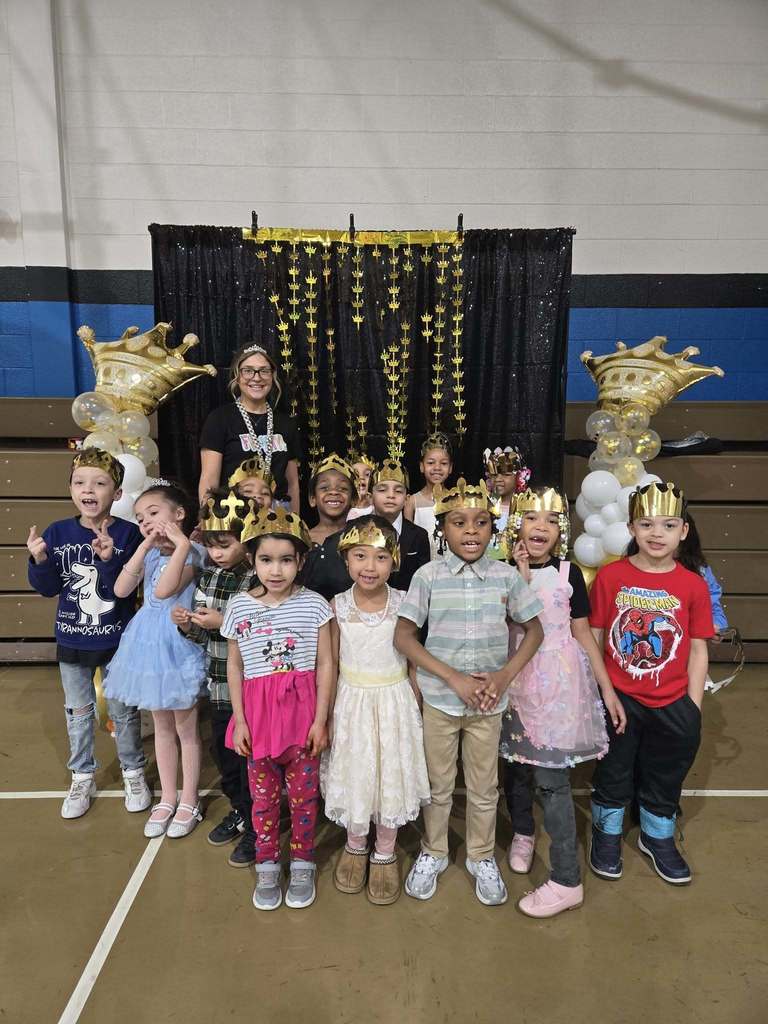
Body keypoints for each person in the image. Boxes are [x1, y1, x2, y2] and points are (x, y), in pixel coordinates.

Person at [395, 479, 544, 907]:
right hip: (441, 701)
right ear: (443, 529)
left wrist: (503, 677)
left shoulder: (504, 577)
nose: (472, 531)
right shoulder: (427, 576)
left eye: (481, 523)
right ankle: (435, 850)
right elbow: (405, 637)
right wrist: (453, 679)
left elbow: (534, 630)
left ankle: (480, 855)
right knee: (438, 785)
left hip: (488, 703)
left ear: (493, 530)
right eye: (459, 523)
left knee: (484, 787)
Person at [499, 486, 626, 918]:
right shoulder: (502, 570)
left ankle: (566, 878)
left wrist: (606, 689)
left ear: (561, 531)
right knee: (515, 767)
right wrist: (517, 572)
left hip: (556, 686)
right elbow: (510, 620)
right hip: (515, 680)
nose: (541, 527)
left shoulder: (570, 573)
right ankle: (522, 831)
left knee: (551, 782)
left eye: (551, 521)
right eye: (532, 518)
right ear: (517, 524)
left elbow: (583, 633)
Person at [589, 481, 713, 886]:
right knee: (614, 768)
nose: (657, 533)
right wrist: (606, 692)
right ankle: (606, 833)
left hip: (674, 699)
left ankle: (656, 835)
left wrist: (692, 706)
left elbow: (697, 649)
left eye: (668, 524)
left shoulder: (693, 585)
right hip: (621, 698)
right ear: (631, 529)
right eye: (646, 524)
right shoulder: (611, 577)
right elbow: (595, 635)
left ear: (684, 531)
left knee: (666, 770)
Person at [26, 447, 150, 820]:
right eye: (80, 482)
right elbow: (49, 588)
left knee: (124, 712)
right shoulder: (57, 532)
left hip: (117, 641)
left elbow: (122, 591)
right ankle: (82, 774)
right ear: (70, 489)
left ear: (117, 494)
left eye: (100, 483)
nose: (89, 489)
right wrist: (41, 559)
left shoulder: (129, 533)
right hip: (72, 640)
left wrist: (111, 560)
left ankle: (133, 771)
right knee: (78, 712)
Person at [222, 507, 333, 911]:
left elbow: (325, 664)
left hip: (302, 715)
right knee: (263, 797)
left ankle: (302, 860)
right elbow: (234, 666)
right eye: (266, 559)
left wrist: (321, 720)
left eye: (286, 560)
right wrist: (240, 720)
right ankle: (268, 861)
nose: (276, 570)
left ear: (300, 562)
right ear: (252, 559)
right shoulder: (238, 606)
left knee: (303, 797)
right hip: (258, 716)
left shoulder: (316, 605)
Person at [323, 516, 430, 905]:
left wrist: (418, 705)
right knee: (356, 771)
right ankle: (355, 845)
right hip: (352, 702)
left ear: (395, 561)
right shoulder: (337, 606)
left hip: (394, 700)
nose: (370, 566)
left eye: (381, 557)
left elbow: (414, 659)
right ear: (346, 560)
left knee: (390, 772)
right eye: (360, 556)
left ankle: (385, 849)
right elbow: (330, 663)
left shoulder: (404, 603)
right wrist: (328, 714)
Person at [106, 482, 207, 839]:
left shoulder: (194, 551)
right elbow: (121, 589)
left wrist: (180, 543)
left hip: (177, 642)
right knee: (162, 727)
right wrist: (145, 545)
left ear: (178, 514)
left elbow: (165, 590)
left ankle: (189, 799)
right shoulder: (147, 552)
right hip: (145, 644)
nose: (146, 522)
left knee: (186, 728)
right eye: (140, 519)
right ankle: (167, 796)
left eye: (153, 513)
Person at [171, 491, 256, 866]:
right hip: (218, 686)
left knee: (249, 760)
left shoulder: (256, 579)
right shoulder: (208, 577)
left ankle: (258, 824)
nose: (218, 553)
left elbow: (263, 630)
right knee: (223, 757)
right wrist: (188, 625)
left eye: (226, 544)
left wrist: (223, 623)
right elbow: (204, 633)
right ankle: (240, 809)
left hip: (250, 690)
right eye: (212, 545)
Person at [198, 344, 301, 511]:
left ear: (272, 376)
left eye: (264, 370)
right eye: (248, 370)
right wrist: (207, 518)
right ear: (237, 376)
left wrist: (296, 522)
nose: (256, 377)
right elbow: (209, 479)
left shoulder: (286, 423)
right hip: (234, 511)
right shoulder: (219, 419)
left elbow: (292, 483)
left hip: (278, 513)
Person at [299, 454, 357, 598]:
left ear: (354, 499)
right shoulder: (301, 539)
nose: (334, 492)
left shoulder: (360, 538)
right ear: (312, 499)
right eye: (324, 488)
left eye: (343, 488)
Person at [404, 432, 453, 558]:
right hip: (422, 562)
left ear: (450, 468)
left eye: (443, 463)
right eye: (431, 463)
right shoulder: (412, 501)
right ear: (421, 466)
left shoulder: (455, 499)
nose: (437, 468)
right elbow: (408, 539)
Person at [482, 445, 531, 560]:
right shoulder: (484, 506)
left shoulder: (527, 508)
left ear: (519, 476)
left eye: (506, 474)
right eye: (494, 474)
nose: (498, 479)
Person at [347, 454, 376, 521]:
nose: (361, 478)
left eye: (367, 474)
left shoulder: (377, 507)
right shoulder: (343, 508)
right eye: (356, 474)